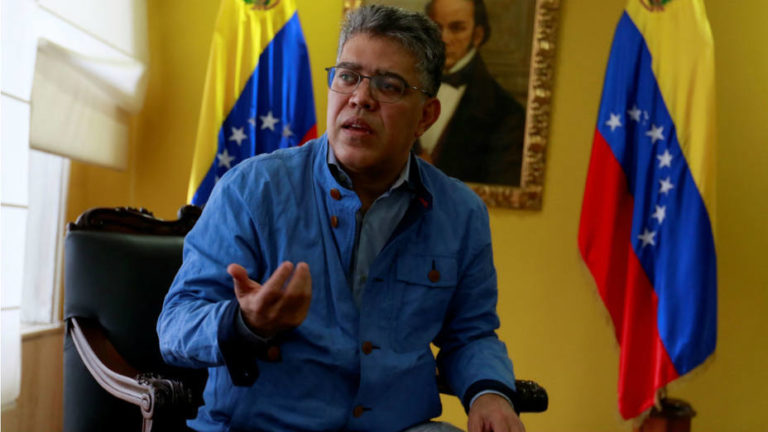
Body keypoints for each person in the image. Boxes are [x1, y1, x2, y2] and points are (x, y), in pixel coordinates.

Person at [158, 5, 524, 432]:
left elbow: (471, 334)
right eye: (348, 76)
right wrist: (245, 323)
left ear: (425, 116)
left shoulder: (461, 212)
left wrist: (490, 393)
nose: (360, 98)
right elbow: (176, 327)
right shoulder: (251, 189)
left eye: (388, 85)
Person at [418, 0, 526, 186]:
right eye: (436, 27)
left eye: (457, 28)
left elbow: (500, 193)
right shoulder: (401, 85)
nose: (444, 38)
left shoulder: (507, 115)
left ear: (477, 35)